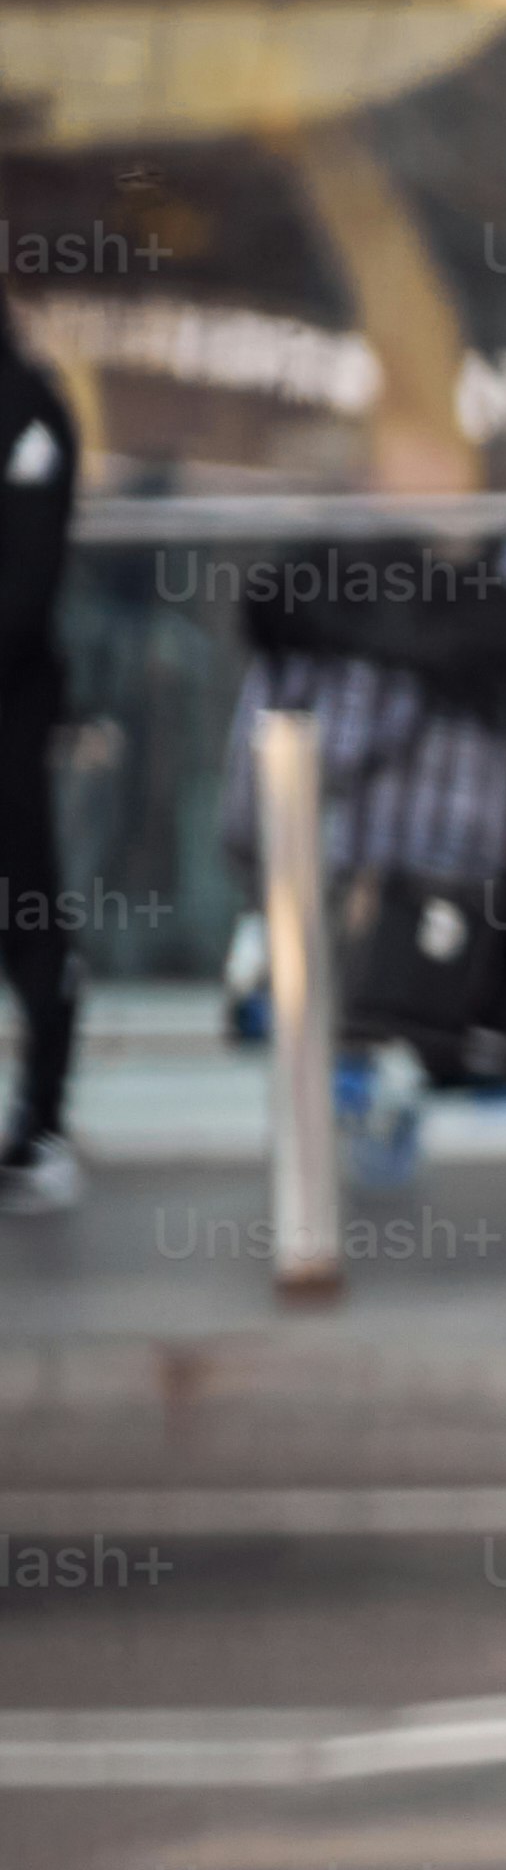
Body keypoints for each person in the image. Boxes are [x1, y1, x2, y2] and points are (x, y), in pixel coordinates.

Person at [0, 290, 78, 1209]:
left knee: (30, 914)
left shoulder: (27, 406)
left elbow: (27, 583)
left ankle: (42, 1119)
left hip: (11, 722)